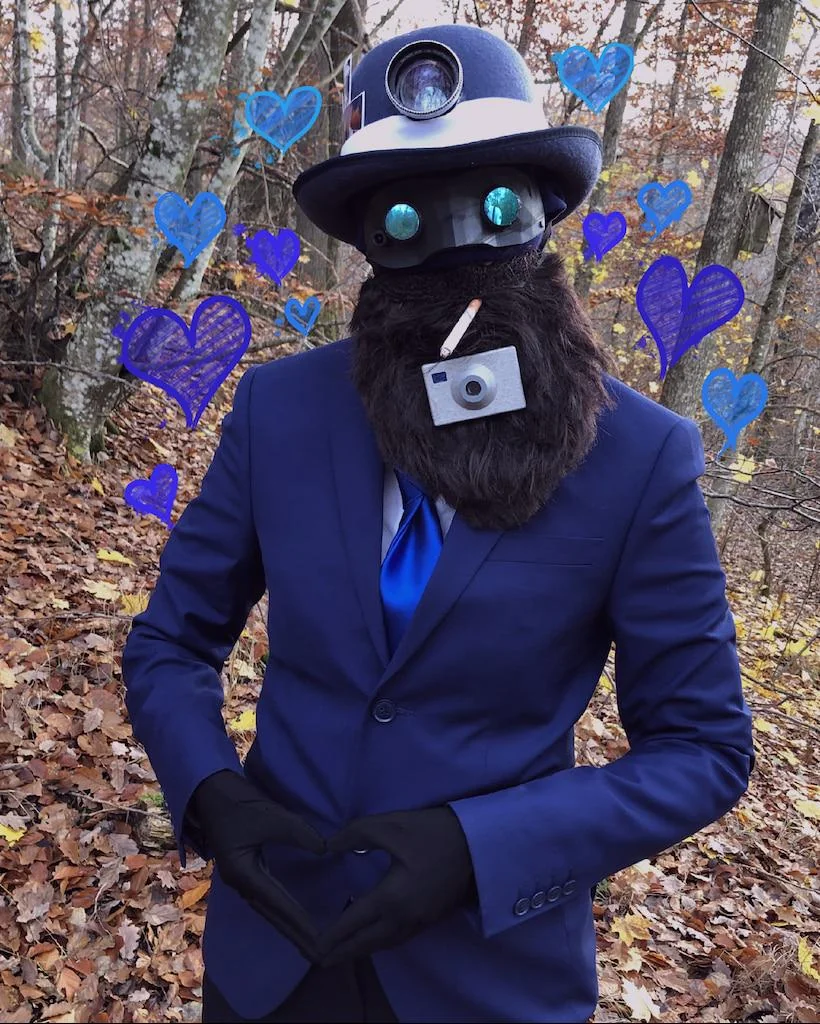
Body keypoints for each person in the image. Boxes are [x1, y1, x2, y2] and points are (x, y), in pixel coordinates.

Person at [122, 23, 755, 1024]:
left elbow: (702, 745)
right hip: (272, 947)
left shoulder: (639, 455)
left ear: (541, 209)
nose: (456, 243)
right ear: (369, 234)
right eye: (408, 215)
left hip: (485, 977)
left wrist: (479, 848)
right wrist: (209, 791)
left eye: (493, 204)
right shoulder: (282, 410)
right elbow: (170, 640)